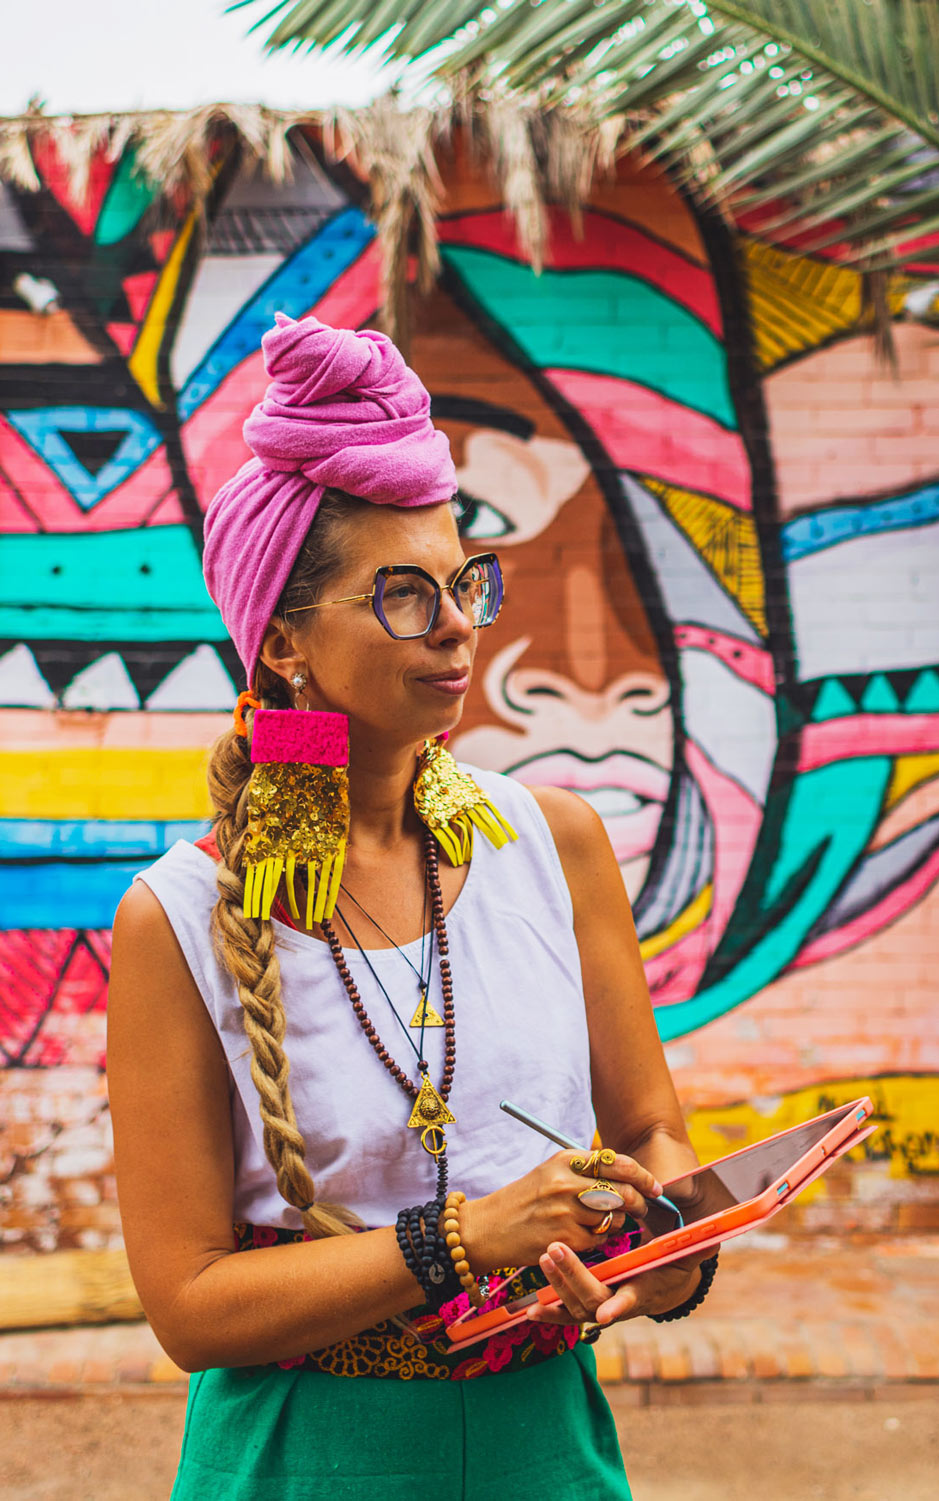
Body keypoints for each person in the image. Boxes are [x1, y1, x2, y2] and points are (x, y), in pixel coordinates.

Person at [107, 312, 715, 1501]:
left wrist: (668, 1253)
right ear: (283, 642)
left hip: (548, 1443)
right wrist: (457, 1240)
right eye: (400, 594)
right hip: (305, 1457)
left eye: (464, 581)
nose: (457, 625)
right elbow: (188, 1306)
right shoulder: (180, 917)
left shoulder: (557, 844)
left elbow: (654, 1135)